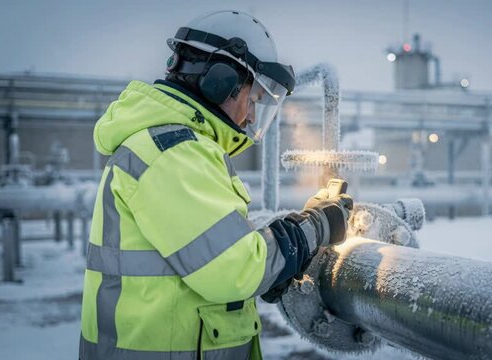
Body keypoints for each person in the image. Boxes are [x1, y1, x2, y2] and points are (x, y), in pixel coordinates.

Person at [79, 10, 353, 360]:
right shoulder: (174, 153)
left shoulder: (167, 145)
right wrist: (314, 227)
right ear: (220, 81)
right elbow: (233, 269)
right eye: (253, 99)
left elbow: (206, 254)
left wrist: (278, 262)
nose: (252, 116)